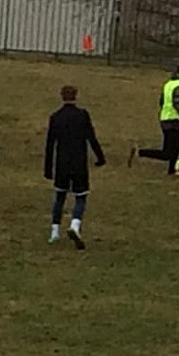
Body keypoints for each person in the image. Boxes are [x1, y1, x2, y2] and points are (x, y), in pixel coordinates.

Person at [44, 85, 106, 250]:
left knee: (60, 196)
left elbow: (50, 144)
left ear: (61, 96)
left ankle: (54, 231)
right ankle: (75, 225)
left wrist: (48, 168)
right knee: (80, 197)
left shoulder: (55, 117)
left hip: (62, 163)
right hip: (79, 162)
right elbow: (91, 138)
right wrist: (100, 157)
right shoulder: (82, 116)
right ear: (76, 96)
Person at [129, 62, 179, 177]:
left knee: (177, 146)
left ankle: (172, 170)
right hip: (173, 120)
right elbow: (178, 104)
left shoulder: (169, 84)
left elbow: (162, 101)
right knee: (168, 153)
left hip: (166, 118)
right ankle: (140, 152)